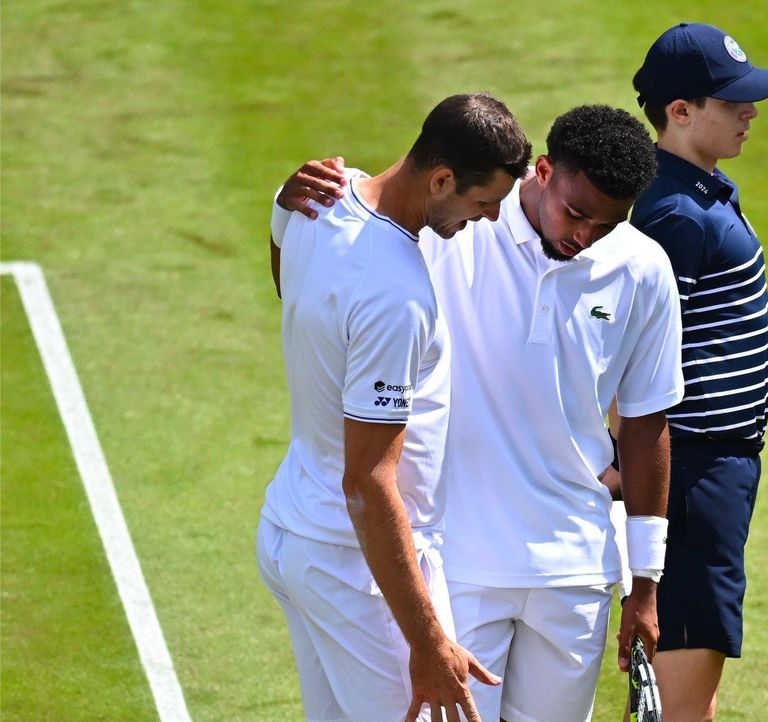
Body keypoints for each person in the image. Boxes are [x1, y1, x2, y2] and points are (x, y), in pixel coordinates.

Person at [273, 104, 685, 722]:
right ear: (542, 171)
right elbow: (342, 256)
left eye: (605, 225)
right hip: (458, 564)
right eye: (575, 213)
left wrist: (646, 582)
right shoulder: (456, 224)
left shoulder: (645, 269)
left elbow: (649, 423)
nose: (583, 236)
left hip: (574, 570)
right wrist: (288, 205)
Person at [256, 92, 532, 722]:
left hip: (297, 532)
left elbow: (286, 275)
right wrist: (428, 642)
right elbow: (368, 480)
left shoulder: (314, 197)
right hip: (353, 567)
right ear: (441, 180)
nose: (488, 220)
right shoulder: (395, 294)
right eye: (482, 203)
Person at [627, 22, 768, 722]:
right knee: (683, 697)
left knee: (698, 684)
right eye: (732, 101)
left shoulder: (702, 191)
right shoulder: (674, 215)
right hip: (692, 475)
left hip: (714, 469)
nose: (750, 111)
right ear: (680, 112)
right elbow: (639, 363)